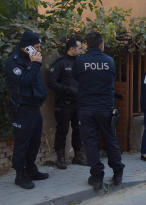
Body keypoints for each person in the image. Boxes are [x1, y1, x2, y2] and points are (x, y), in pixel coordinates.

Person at [72, 32, 125, 190]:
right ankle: (118, 174)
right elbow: (111, 77)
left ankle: (97, 177)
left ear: (87, 45)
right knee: (111, 141)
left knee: (90, 144)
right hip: (105, 108)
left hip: (86, 108)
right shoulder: (109, 61)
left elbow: (76, 78)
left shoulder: (80, 61)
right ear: (102, 45)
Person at [5, 30, 49, 189]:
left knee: (34, 142)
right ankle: (20, 174)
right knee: (22, 144)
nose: (38, 50)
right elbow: (24, 81)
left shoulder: (30, 59)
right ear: (27, 47)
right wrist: (36, 64)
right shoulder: (14, 62)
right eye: (36, 47)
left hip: (34, 108)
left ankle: (31, 169)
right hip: (22, 109)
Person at [48, 38, 87, 169]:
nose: (81, 50)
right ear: (72, 49)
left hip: (79, 103)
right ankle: (60, 158)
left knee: (79, 130)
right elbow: (51, 83)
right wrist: (67, 89)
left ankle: (78, 156)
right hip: (64, 103)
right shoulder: (60, 63)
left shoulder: (80, 63)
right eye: (80, 48)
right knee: (62, 131)